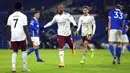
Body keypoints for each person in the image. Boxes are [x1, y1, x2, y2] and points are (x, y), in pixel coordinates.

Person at [6, 2, 33, 72]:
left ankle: (13, 67)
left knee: (15, 52)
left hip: (13, 37)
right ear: (21, 7)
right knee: (24, 51)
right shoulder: (23, 16)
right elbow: (25, 28)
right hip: (21, 36)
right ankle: (24, 67)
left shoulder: (10, 16)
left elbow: (8, 29)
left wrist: (7, 40)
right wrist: (29, 39)